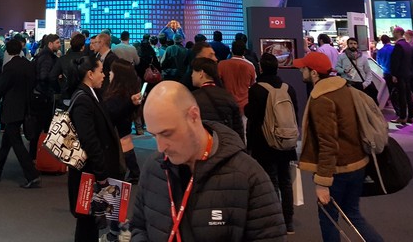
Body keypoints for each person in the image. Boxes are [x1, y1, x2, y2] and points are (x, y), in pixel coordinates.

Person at [131, 81, 286, 242]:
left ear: (193, 116)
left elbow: (270, 236)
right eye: (154, 135)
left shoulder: (247, 175)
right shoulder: (153, 168)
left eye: (167, 134)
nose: (161, 147)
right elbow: (139, 227)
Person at [294, 52, 383, 242]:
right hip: (358, 163)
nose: (301, 71)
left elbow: (328, 143)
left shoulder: (321, 99)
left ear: (314, 73)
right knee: (353, 214)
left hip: (337, 170)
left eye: (304, 68)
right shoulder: (345, 89)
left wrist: (323, 182)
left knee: (328, 218)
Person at [67, 56, 124, 242]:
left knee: (90, 221)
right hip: (89, 172)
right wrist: (101, 174)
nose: (104, 75)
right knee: (87, 221)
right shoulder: (83, 99)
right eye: (101, 71)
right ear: (90, 74)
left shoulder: (91, 94)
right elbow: (89, 140)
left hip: (91, 171)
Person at [245, 53, 298, 235]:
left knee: (271, 180)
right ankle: (289, 221)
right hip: (286, 141)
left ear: (260, 68)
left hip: (264, 142)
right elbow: (295, 112)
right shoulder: (289, 88)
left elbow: (253, 116)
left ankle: (275, 220)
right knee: (286, 180)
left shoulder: (256, 89)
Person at [0, 37, 41, 188]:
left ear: (8, 51)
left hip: (12, 108)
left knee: (16, 142)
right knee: (7, 141)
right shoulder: (29, 65)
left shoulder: (9, 67)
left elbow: (1, 88)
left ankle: (32, 175)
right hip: (26, 106)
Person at [102, 59, 142, 184]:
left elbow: (112, 113)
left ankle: (133, 172)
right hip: (124, 130)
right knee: (126, 142)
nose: (109, 73)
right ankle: (134, 172)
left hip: (118, 131)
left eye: (112, 71)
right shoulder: (126, 92)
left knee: (124, 144)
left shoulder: (117, 95)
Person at [190, 57, 244, 141]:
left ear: (201, 73)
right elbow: (238, 128)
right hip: (226, 143)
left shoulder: (193, 98)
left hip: (205, 144)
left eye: (193, 72)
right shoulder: (228, 95)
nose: (192, 75)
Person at [30, 33, 60, 158]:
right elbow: (44, 76)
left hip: (40, 94)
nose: (59, 45)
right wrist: (55, 79)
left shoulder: (42, 55)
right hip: (43, 96)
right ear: (50, 44)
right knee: (42, 127)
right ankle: (39, 156)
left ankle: (36, 155)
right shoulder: (47, 58)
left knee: (38, 127)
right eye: (57, 42)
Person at [217, 36, 256, 114]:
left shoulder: (221, 64)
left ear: (231, 50)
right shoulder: (250, 66)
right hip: (244, 105)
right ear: (244, 51)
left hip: (227, 103)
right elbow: (253, 84)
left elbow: (217, 82)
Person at [336, 37, 377, 102]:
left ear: (357, 45)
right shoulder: (342, 56)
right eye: (351, 43)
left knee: (362, 103)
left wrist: (365, 84)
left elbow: (368, 71)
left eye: (355, 43)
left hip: (360, 84)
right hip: (347, 84)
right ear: (348, 45)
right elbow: (337, 67)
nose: (353, 45)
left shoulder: (363, 57)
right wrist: (343, 71)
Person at [389, 26, 413, 126]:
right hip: (407, 73)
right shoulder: (407, 45)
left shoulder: (399, 45)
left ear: (398, 33)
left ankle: (402, 117)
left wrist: (394, 74)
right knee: (408, 95)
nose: (393, 34)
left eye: (394, 32)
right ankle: (410, 116)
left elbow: (396, 61)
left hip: (400, 74)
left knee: (401, 96)